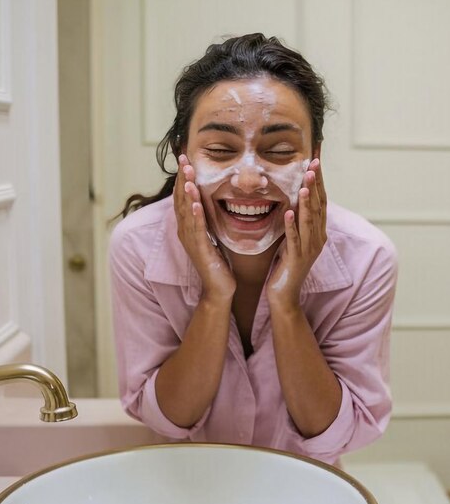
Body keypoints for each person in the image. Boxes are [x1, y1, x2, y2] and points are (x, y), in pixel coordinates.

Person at [110, 33, 396, 464]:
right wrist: (214, 296)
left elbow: (334, 434)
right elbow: (168, 419)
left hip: (306, 492)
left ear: (314, 157)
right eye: (221, 150)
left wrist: (286, 301)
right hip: (189, 489)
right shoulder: (137, 246)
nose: (248, 180)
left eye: (279, 151)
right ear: (182, 153)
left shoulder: (367, 257)